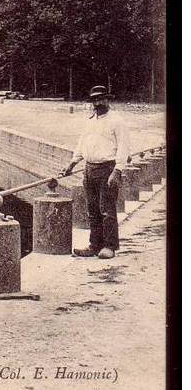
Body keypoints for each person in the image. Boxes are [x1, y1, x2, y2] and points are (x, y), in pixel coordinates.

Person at [61, 85, 130, 259]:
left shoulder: (117, 121)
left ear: (107, 100)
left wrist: (117, 171)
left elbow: (123, 147)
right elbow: (82, 144)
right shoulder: (90, 121)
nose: (98, 103)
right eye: (95, 100)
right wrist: (72, 163)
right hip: (89, 168)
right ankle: (94, 245)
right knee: (92, 210)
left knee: (107, 209)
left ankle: (110, 246)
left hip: (107, 168)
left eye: (101, 99)